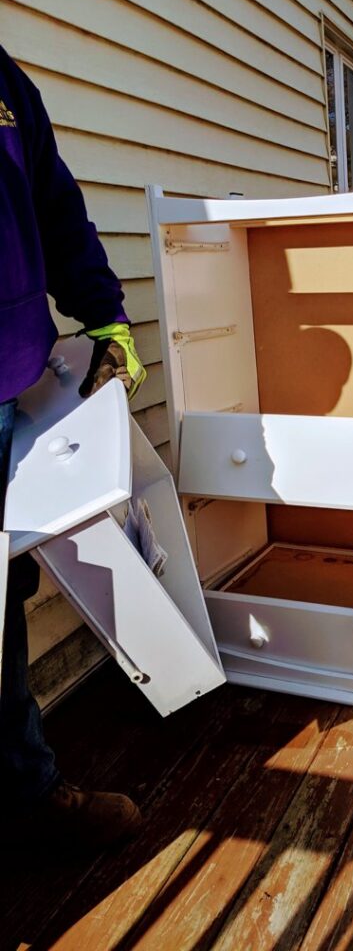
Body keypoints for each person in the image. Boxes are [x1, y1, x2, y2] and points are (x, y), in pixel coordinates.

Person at [1, 44, 146, 849]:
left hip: (9, 384)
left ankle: (26, 792)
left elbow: (55, 210)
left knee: (3, 602)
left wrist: (106, 316)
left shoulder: (7, 83)